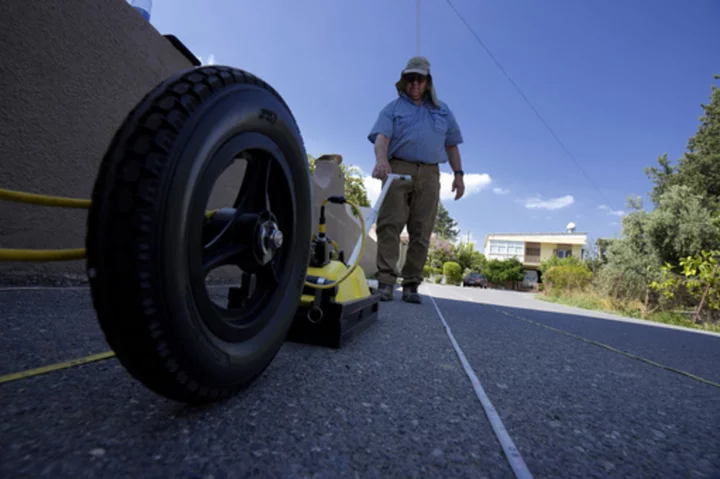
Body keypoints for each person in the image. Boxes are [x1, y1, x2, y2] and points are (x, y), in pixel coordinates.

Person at [367, 56, 466, 304]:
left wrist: (458, 175)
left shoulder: (443, 111)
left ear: (427, 82)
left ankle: (412, 284)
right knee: (389, 225)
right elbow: (382, 138)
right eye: (409, 79)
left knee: (422, 229)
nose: (414, 84)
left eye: (419, 79)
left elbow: (452, 145)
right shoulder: (393, 108)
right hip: (397, 168)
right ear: (403, 81)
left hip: (430, 173)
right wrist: (382, 161)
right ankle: (386, 282)